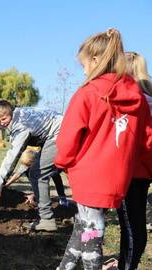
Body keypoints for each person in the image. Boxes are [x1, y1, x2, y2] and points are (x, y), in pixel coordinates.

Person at [55, 29, 152, 270]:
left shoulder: (87, 94)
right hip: (119, 177)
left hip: (88, 176)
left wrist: (62, 163)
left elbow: (68, 139)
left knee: (92, 233)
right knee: (83, 224)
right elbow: (147, 138)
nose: (84, 70)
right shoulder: (138, 97)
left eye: (84, 65)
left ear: (96, 61)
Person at [0, 100, 63, 232]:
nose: (2, 122)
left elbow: (12, 157)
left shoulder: (21, 124)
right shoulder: (20, 114)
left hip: (61, 133)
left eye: (4, 118)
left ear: (11, 112)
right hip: (58, 132)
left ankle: (46, 219)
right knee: (35, 171)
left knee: (37, 173)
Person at [113, 51, 152, 270]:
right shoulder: (150, 97)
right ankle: (131, 264)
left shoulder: (131, 99)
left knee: (127, 225)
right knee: (137, 224)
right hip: (145, 169)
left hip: (128, 169)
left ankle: (125, 266)